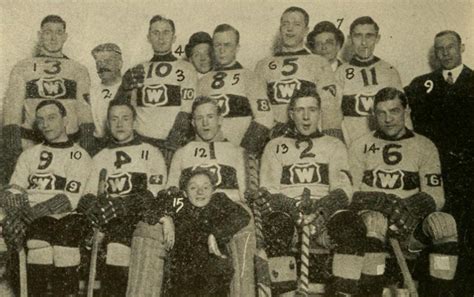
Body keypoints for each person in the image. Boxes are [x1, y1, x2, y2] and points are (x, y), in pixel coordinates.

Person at [349, 87, 458, 297]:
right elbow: (350, 193)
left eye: (394, 111)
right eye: (381, 113)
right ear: (374, 115)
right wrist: (379, 201)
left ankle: (441, 293)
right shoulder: (360, 145)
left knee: (444, 223)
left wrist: (409, 207)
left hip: (408, 227)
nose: (388, 119)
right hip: (371, 225)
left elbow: (436, 195)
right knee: (375, 221)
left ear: (406, 111)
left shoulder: (424, 145)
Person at [256, 87, 364, 296]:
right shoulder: (275, 146)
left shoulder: (334, 145)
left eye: (312, 110)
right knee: (275, 226)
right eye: (300, 110)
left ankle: (344, 293)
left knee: (351, 225)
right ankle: (284, 293)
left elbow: (343, 189)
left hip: (323, 219)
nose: (306, 117)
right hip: (291, 216)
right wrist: (292, 209)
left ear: (320, 113)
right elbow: (268, 189)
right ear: (291, 114)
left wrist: (321, 211)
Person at [0, 100, 92, 297]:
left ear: (65, 120)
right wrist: (15, 214)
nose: (45, 124)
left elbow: (68, 199)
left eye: (51, 118)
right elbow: (14, 189)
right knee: (35, 245)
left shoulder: (79, 155)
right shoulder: (29, 154)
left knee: (47, 241)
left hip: (61, 217)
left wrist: (28, 217)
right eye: (40, 120)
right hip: (28, 217)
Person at [167, 96, 255, 297]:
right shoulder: (182, 152)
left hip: (227, 209)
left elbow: (244, 194)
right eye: (199, 118)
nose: (205, 123)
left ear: (220, 119)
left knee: (245, 230)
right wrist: (167, 217)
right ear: (192, 123)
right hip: (191, 210)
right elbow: (171, 191)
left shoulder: (237, 151)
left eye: (210, 116)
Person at [77, 101, 167, 296]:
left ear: (134, 122)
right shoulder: (100, 157)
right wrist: (94, 209)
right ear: (108, 125)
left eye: (125, 118)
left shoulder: (151, 152)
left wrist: (122, 205)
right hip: (106, 217)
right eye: (114, 119)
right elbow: (87, 196)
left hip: (136, 216)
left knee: (117, 246)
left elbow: (155, 194)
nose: (120, 124)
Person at [2, 15, 93, 179]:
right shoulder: (23, 67)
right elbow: (12, 112)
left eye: (59, 32)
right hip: (31, 143)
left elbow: (84, 112)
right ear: (39, 35)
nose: (53, 37)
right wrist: (13, 150)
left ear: (65, 37)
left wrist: (86, 147)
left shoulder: (78, 69)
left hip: (69, 144)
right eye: (48, 32)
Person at [153, 170, 250, 297]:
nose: (200, 192)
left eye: (206, 187)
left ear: (213, 190)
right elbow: (149, 206)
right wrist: (166, 219)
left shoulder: (219, 201)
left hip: (213, 272)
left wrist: (215, 234)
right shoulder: (179, 203)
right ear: (185, 193)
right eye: (193, 187)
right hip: (182, 274)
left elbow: (243, 215)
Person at [114, 15, 198, 160]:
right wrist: (124, 88)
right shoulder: (137, 70)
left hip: (171, 145)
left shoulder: (186, 69)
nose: (161, 38)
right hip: (141, 142)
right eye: (156, 33)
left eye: (166, 32)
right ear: (148, 37)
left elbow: (186, 112)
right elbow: (120, 108)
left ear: (174, 37)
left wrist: (171, 146)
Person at [254, 6, 343, 140]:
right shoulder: (263, 65)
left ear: (306, 31)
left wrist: (333, 145)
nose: (290, 29)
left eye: (297, 24)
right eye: (285, 24)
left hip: (310, 138)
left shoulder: (319, 63)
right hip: (274, 139)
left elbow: (329, 110)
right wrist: (253, 148)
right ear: (280, 29)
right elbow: (259, 110)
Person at [197, 24, 274, 155]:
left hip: (238, 150)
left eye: (227, 45)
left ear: (237, 48)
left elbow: (265, 117)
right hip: (208, 153)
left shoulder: (250, 77)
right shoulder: (203, 81)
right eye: (217, 45)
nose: (222, 50)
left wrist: (244, 152)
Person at [335, 16, 405, 146]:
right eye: (357, 36)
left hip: (386, 143)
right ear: (350, 39)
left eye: (369, 36)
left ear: (377, 38)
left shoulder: (389, 70)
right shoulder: (341, 72)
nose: (363, 43)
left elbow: (403, 113)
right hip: (352, 144)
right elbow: (334, 114)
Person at [90, 43, 123, 153]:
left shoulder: (130, 88)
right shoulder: (91, 91)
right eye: (98, 63)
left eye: (107, 61)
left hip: (123, 145)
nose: (101, 67)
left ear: (119, 64)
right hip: (98, 147)